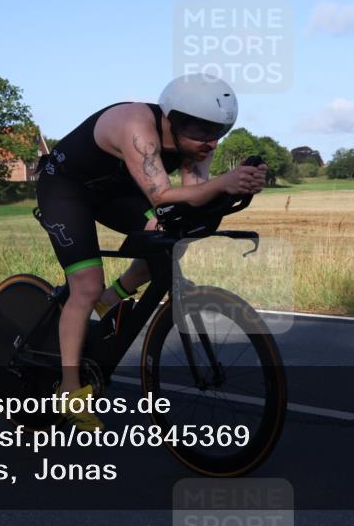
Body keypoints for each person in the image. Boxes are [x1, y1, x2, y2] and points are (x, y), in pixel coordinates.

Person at [34, 74, 268, 431]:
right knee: (85, 285)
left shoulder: (197, 141)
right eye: (203, 133)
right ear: (173, 121)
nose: (210, 143)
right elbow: (161, 197)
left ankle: (112, 299)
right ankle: (69, 390)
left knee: (164, 239)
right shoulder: (136, 128)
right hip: (66, 188)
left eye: (218, 132)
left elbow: (193, 198)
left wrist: (235, 188)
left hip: (115, 191)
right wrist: (224, 182)